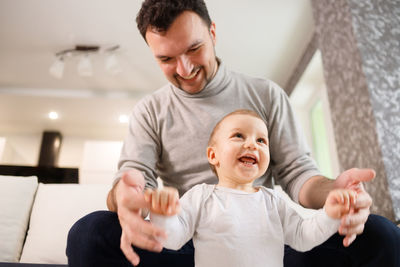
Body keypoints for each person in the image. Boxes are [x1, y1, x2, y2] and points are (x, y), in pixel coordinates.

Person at [66, 0, 400, 266]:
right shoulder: (151, 111)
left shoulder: (267, 95)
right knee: (90, 233)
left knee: (380, 234)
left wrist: (335, 195)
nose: (184, 69)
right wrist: (126, 200)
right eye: (166, 58)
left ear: (212, 32)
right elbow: (135, 181)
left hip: (268, 248)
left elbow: (299, 177)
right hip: (191, 246)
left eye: (194, 49)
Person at [145, 109, 358, 267]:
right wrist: (163, 213)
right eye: (238, 135)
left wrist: (331, 214)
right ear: (213, 155)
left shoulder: (273, 200)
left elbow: (303, 236)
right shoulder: (202, 196)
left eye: (261, 140)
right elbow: (172, 239)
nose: (252, 144)